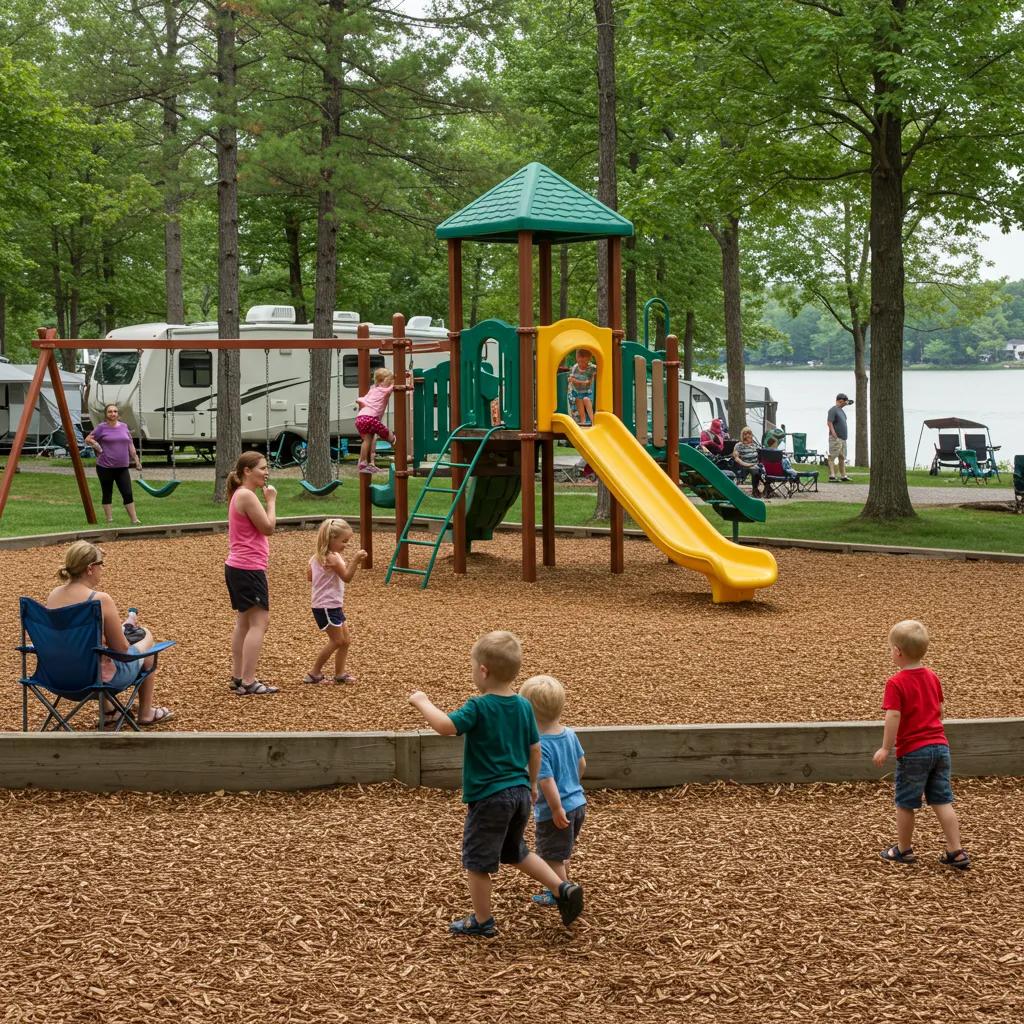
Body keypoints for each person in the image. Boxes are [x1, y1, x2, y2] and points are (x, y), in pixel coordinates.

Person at [408, 631, 585, 937]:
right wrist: (530, 784)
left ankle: (482, 920)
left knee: (477, 862)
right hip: (518, 793)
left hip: (489, 797)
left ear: (483, 671)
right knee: (515, 850)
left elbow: (445, 727)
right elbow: (534, 748)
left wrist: (422, 701)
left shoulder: (479, 707)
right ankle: (562, 887)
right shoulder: (524, 707)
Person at [872, 620, 970, 870]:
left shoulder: (896, 683)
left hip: (914, 751)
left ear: (898, 652)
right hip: (940, 747)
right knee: (942, 800)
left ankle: (903, 850)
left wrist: (886, 747)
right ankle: (956, 851)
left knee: (906, 802)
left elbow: (893, 716)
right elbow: (939, 709)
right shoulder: (932, 677)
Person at [46, 540, 172, 727]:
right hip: (97, 681)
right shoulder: (100, 600)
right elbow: (121, 649)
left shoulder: (54, 595)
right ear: (90, 568)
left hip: (58, 678)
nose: (102, 569)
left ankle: (110, 711)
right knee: (147, 640)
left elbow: (71, 639)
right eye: (101, 565)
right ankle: (146, 713)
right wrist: (131, 636)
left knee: (97, 650)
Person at [518, 675, 587, 908]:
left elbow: (546, 782)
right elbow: (582, 764)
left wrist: (557, 807)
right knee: (562, 851)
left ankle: (564, 893)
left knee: (551, 855)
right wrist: (573, 788)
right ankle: (561, 886)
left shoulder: (539, 745)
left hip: (555, 810)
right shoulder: (569, 733)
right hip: (578, 802)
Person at [225, 451, 279, 696]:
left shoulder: (241, 493)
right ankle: (248, 681)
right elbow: (268, 528)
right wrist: (271, 501)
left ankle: (238, 676)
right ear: (247, 471)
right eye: (262, 468)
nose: (266, 472)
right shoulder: (247, 495)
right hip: (248, 568)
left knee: (244, 622)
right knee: (259, 623)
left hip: (238, 567)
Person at [304, 518, 367, 684]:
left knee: (346, 641)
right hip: (327, 606)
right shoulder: (333, 558)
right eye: (343, 541)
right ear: (330, 539)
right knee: (337, 641)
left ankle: (340, 673)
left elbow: (310, 577)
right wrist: (356, 560)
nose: (345, 545)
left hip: (328, 604)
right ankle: (313, 673)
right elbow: (346, 577)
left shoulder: (316, 557)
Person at [84, 403, 142, 526]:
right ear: (106, 414)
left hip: (122, 467)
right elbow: (88, 439)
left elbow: (130, 445)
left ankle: (134, 519)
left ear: (118, 414)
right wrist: (97, 446)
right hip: (105, 467)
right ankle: (109, 520)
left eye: (115, 411)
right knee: (107, 492)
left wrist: (136, 460)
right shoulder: (101, 427)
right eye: (110, 411)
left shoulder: (124, 427)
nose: (113, 414)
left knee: (127, 493)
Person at [355, 367, 397, 474]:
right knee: (385, 432)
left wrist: (360, 400)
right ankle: (393, 440)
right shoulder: (384, 389)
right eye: (388, 380)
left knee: (367, 440)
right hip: (370, 418)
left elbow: (362, 399)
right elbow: (393, 387)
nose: (390, 382)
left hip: (360, 418)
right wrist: (400, 380)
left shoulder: (373, 389)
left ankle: (363, 462)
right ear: (381, 382)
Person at [731, 426, 766, 497]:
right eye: (745, 434)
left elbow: (761, 454)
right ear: (742, 435)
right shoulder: (739, 445)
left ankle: (766, 488)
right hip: (744, 466)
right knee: (755, 470)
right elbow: (736, 458)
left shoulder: (754, 445)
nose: (747, 435)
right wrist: (748, 464)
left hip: (755, 465)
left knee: (761, 469)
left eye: (749, 433)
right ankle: (755, 490)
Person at [826, 392, 853, 482]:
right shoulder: (833, 410)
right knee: (832, 456)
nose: (845, 404)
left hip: (843, 438)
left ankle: (843, 475)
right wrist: (834, 435)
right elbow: (829, 423)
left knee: (842, 457)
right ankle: (832, 475)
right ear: (840, 401)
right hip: (835, 438)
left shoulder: (841, 410)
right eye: (844, 402)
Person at [567, 349, 597, 426]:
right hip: (578, 391)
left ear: (589, 360)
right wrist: (572, 380)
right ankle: (583, 421)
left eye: (584, 362)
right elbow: (571, 378)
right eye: (579, 362)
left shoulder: (592, 368)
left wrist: (593, 377)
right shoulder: (575, 367)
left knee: (586, 399)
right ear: (577, 359)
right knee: (578, 400)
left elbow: (589, 381)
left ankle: (592, 420)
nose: (581, 364)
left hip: (588, 391)